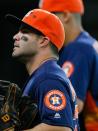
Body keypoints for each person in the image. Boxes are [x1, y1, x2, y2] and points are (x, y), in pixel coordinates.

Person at [5, 8, 79, 131]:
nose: (15, 36)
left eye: (24, 31)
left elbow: (61, 128)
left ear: (43, 41)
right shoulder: (44, 75)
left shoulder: (48, 78)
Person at [39, 0, 98, 130]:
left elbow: (71, 105)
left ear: (65, 15)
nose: (41, 26)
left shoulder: (79, 49)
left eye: (48, 17)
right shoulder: (87, 44)